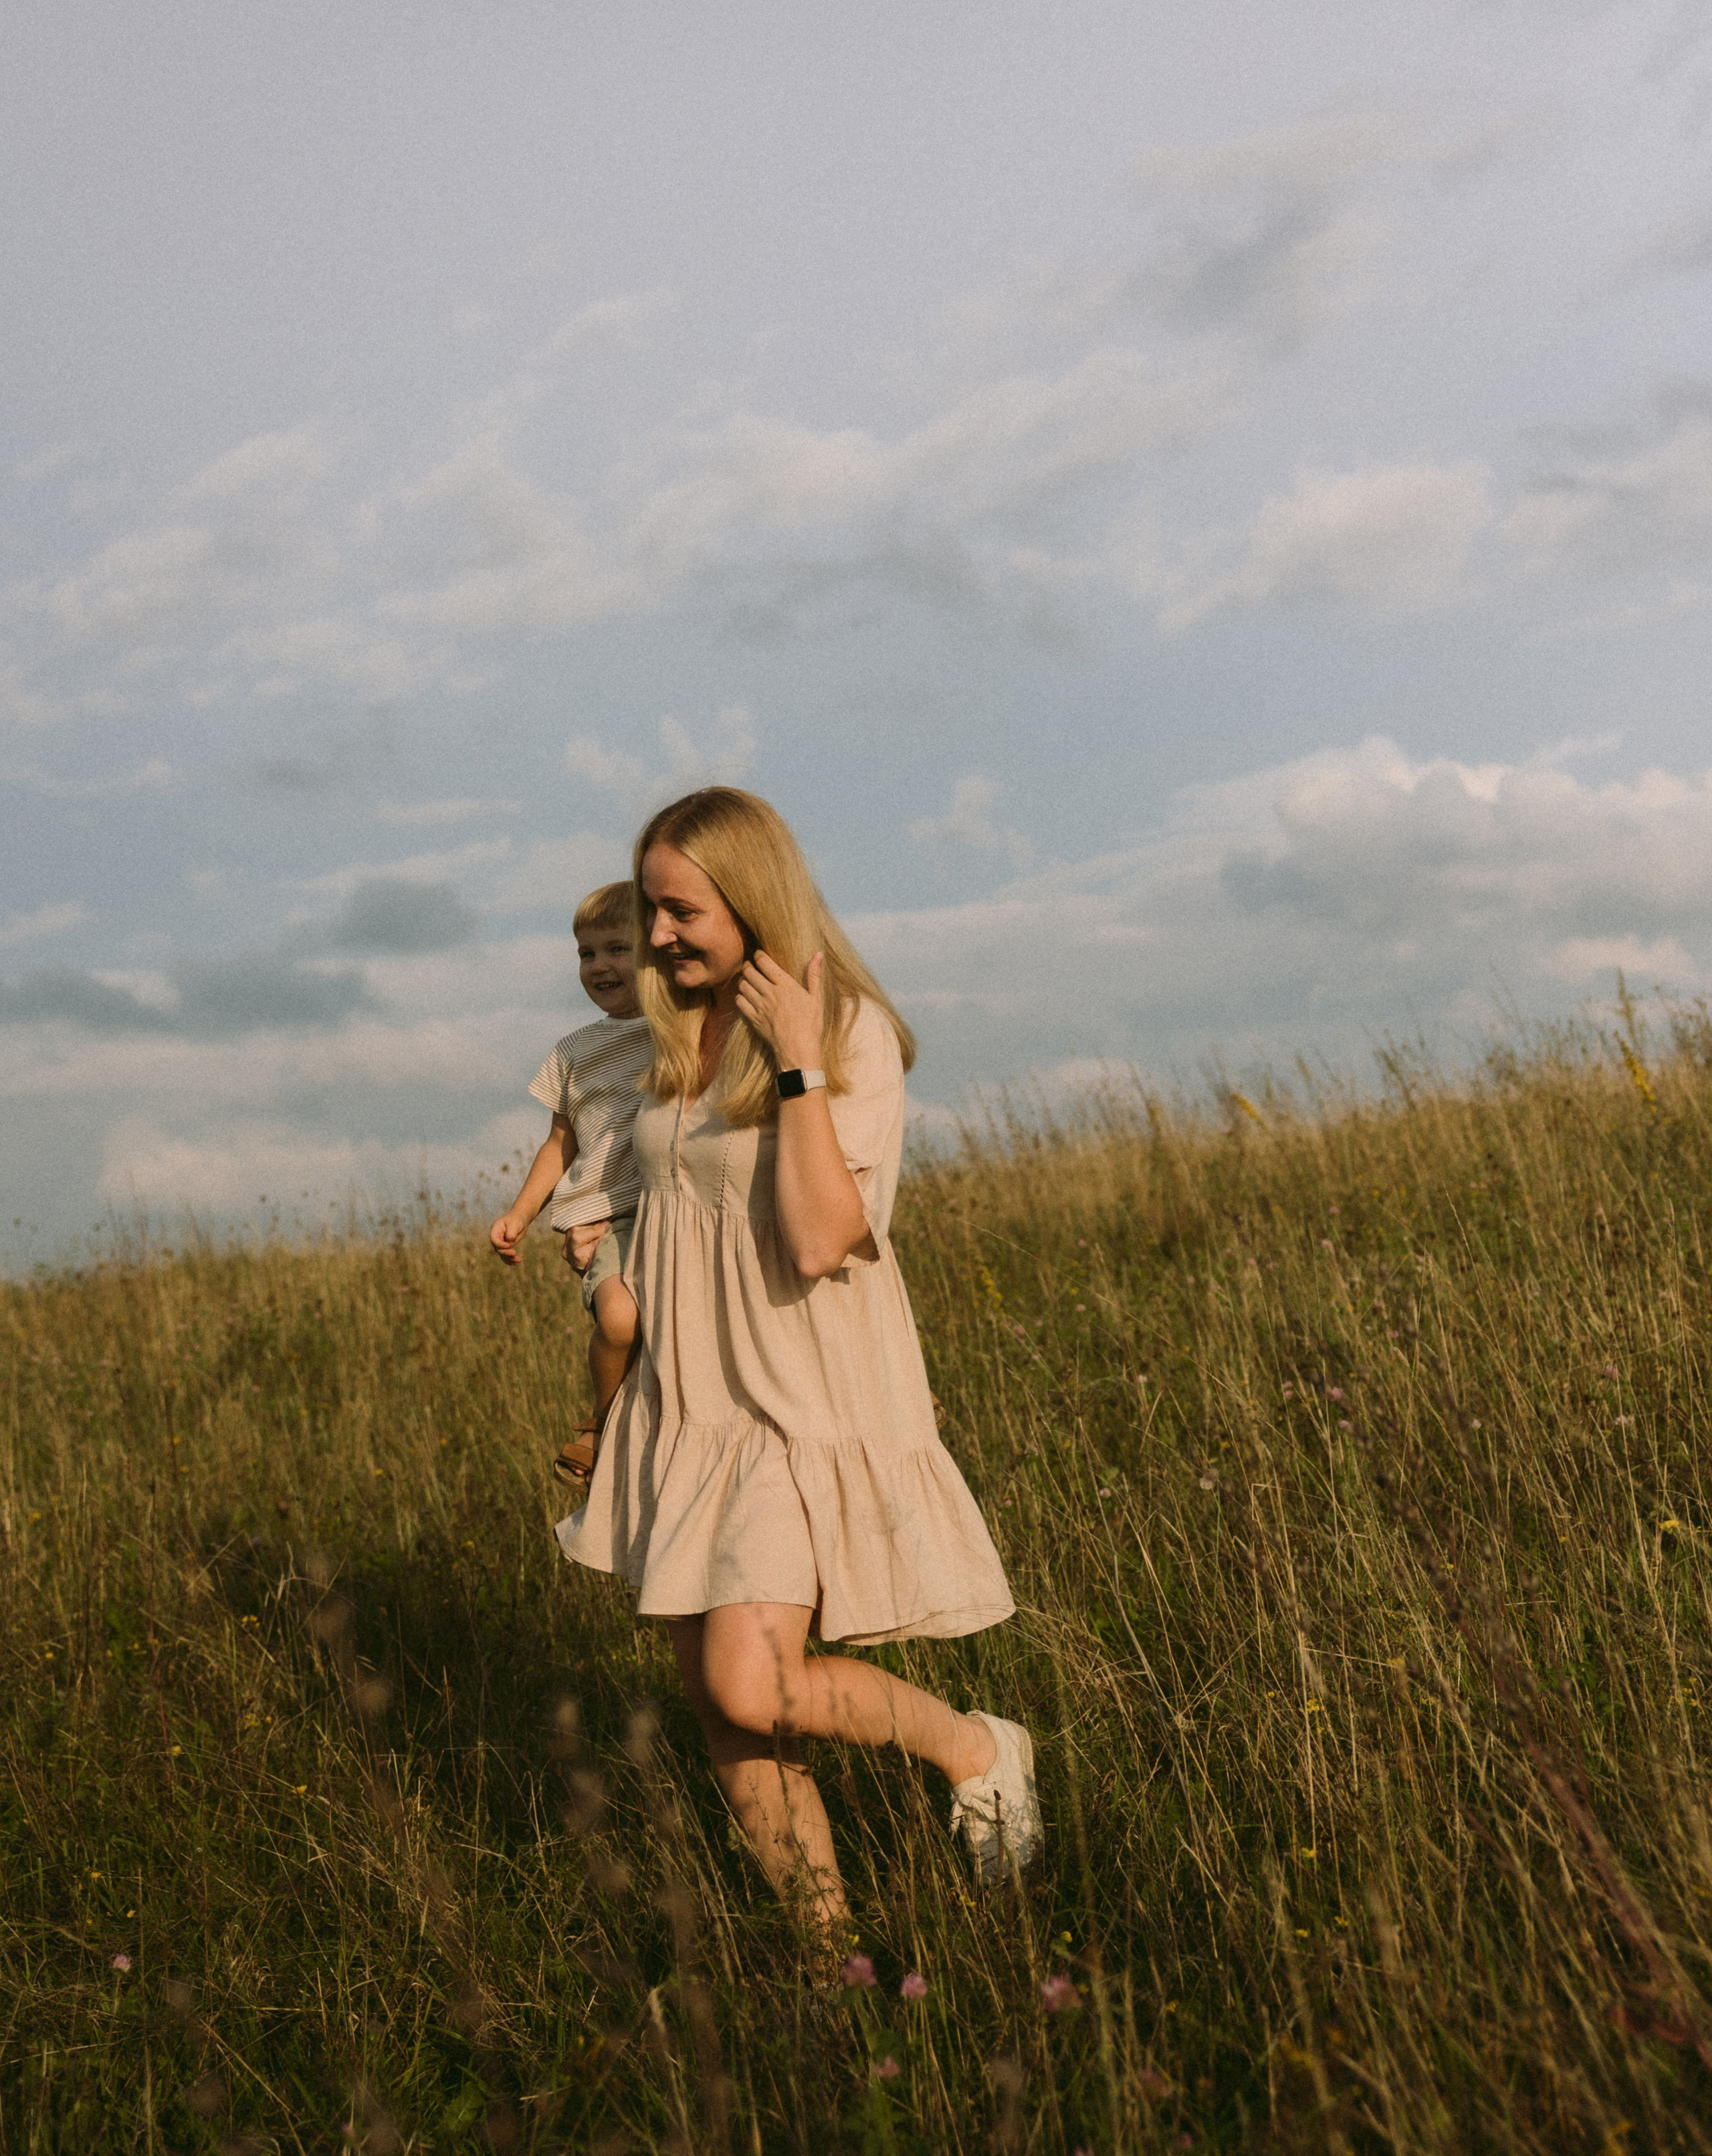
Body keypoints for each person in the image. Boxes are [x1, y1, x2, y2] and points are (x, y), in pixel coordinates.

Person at [555, 788, 1041, 1942]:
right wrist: (595, 1241)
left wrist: (798, 1064)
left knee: (753, 1680)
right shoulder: (665, 1032)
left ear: (752, 898)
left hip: (795, 1400)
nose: (656, 936)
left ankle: (977, 1749)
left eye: (681, 911)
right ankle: (834, 1964)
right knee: (727, 1718)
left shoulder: (845, 1030)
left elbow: (823, 1238)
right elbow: (648, 1199)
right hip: (687, 1401)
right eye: (650, 909)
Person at [488, 882, 651, 1479]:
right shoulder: (574, 1051)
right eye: (587, 953)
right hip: (608, 1215)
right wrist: (521, 1214)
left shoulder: (681, 1027)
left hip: (674, 1202)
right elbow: (560, 1142)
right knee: (620, 1318)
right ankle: (603, 1423)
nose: (600, 966)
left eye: (618, 949)